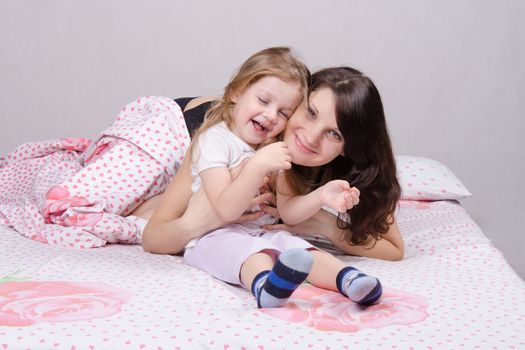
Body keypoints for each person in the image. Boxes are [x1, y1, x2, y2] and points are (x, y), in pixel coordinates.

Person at [139, 68, 403, 263]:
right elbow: (153, 237)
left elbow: (394, 249)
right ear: (297, 104)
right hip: (187, 120)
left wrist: (326, 226)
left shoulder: (356, 171)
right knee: (138, 201)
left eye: (335, 134)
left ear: (350, 147)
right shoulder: (236, 137)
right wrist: (195, 223)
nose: (311, 137)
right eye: (310, 113)